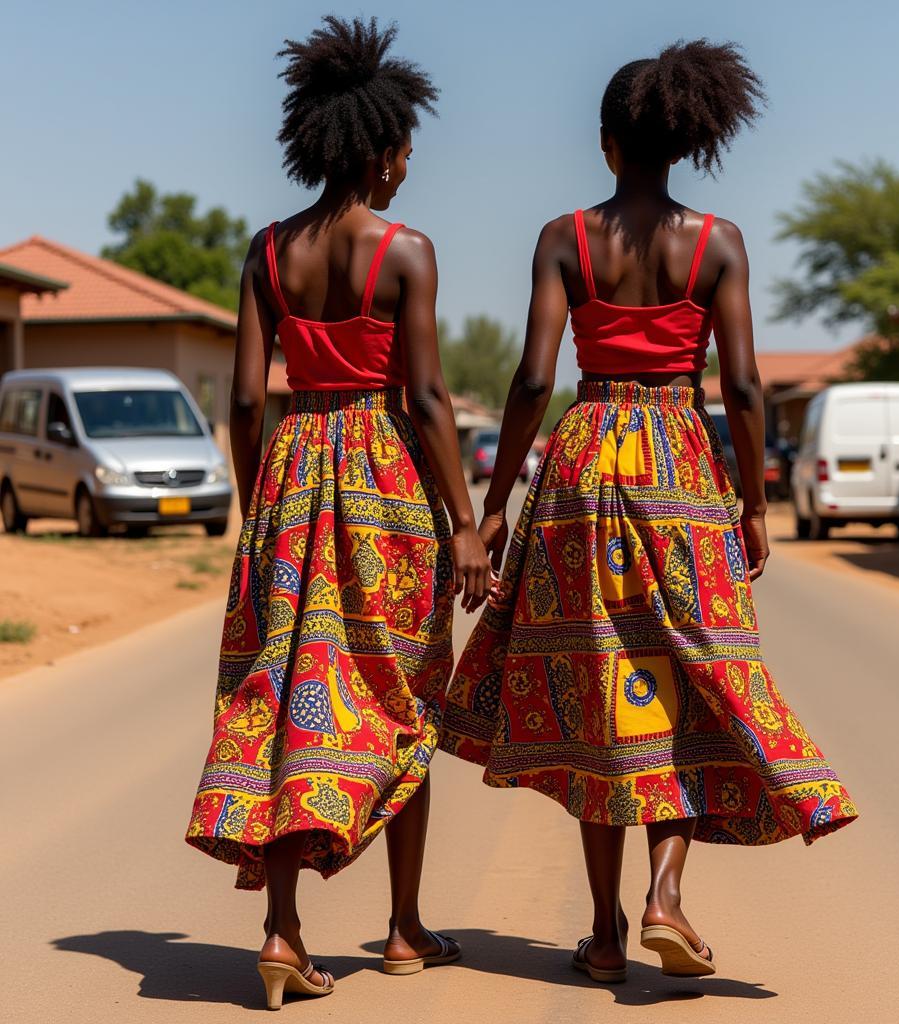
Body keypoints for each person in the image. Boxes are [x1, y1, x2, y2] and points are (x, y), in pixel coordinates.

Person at [441, 39, 858, 984]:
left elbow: (533, 377)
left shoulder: (563, 237)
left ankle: (602, 934)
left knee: (599, 689)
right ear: (684, 143)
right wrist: (754, 502)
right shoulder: (716, 242)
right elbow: (745, 385)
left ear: (606, 144)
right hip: (681, 465)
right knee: (685, 679)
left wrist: (497, 501)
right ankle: (666, 890)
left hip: (585, 466)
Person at [185, 17, 489, 1009]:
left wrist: (253, 498)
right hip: (384, 482)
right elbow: (432, 399)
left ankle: (280, 928)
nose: (408, 168)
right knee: (401, 695)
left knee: (285, 692)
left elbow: (241, 397)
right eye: (405, 151)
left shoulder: (268, 252)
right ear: (379, 149)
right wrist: (466, 520)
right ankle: (403, 928)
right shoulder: (405, 251)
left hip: (291, 474)